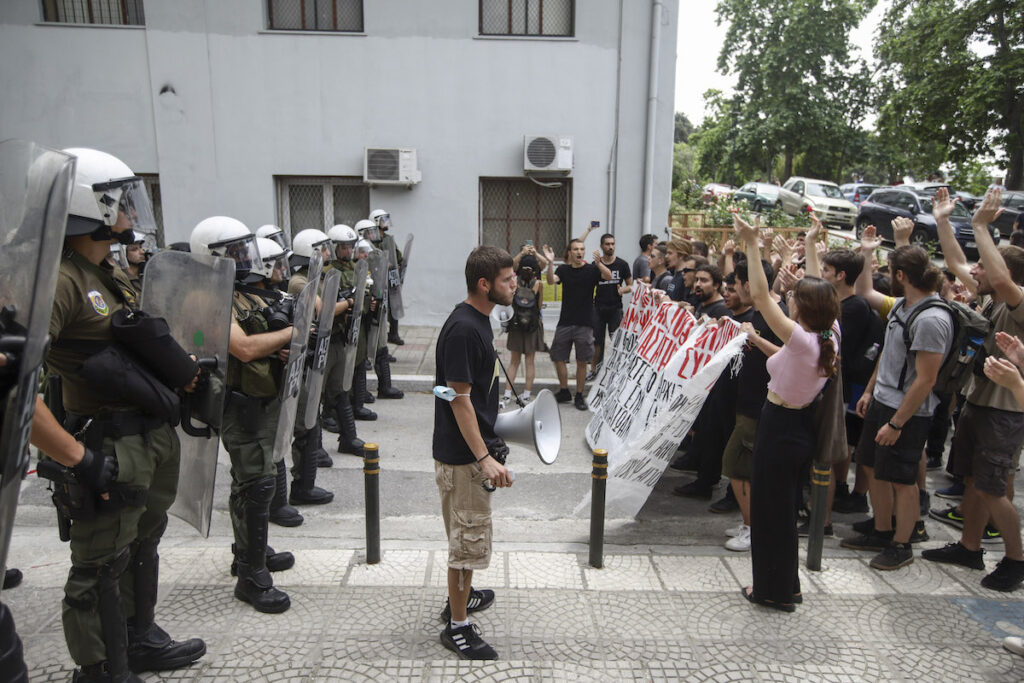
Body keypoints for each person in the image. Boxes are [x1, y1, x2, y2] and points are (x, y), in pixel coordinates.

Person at [29, 148, 206, 680]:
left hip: (146, 436)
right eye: (120, 197)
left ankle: (137, 636)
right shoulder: (61, 279)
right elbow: (15, 386)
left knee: (140, 540)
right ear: (91, 204)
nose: (131, 208)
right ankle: (100, 665)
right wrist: (77, 458)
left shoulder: (105, 270)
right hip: (106, 443)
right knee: (98, 560)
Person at [733, 213, 840, 611]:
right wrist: (811, 244)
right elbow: (820, 290)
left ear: (803, 309)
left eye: (795, 296)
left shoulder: (803, 338)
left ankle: (772, 593)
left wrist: (751, 242)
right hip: (797, 428)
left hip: (778, 429)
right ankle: (787, 586)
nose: (789, 296)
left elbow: (760, 297)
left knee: (769, 515)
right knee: (782, 511)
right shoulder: (827, 336)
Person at [920, 189, 1024, 591]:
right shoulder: (993, 297)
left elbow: (995, 273)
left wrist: (981, 224)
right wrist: (944, 220)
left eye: (983, 266)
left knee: (993, 489)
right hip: (978, 403)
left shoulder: (1016, 302)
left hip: (1005, 412)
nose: (973, 271)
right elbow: (956, 262)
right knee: (974, 483)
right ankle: (969, 547)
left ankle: (1016, 561)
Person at [191, 217, 296, 613]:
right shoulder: (207, 298)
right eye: (235, 252)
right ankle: (252, 578)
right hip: (239, 405)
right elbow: (245, 349)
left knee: (251, 482)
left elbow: (261, 342)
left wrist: (280, 347)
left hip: (261, 399)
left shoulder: (241, 295)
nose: (245, 258)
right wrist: (290, 335)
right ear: (214, 257)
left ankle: (249, 551)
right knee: (257, 485)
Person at [839, 243, 952, 570]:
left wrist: (897, 423)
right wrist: (871, 390)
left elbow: (925, 380)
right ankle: (881, 529)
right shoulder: (903, 305)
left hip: (907, 413)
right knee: (873, 467)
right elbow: (889, 352)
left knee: (903, 481)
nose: (887, 276)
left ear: (901, 275)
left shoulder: (931, 319)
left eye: (889, 271)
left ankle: (902, 544)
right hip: (882, 402)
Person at [434, 245, 515, 660]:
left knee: (465, 538)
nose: (515, 284)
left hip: (466, 452)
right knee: (465, 544)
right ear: (484, 285)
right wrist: (484, 457)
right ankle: (458, 626)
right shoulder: (466, 329)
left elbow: (454, 390)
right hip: (464, 459)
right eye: (507, 280)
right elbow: (458, 399)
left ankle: (458, 600)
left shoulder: (477, 321)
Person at [721, 257, 785, 552]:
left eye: (734, 285)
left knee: (738, 465)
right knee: (741, 466)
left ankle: (752, 528)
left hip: (760, 405)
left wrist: (754, 338)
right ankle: (749, 522)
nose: (732, 290)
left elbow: (787, 357)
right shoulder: (760, 313)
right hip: (748, 402)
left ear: (748, 285)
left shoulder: (777, 316)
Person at [285, 228, 337, 507]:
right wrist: (349, 301)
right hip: (295, 361)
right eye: (322, 249)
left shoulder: (313, 277)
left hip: (305, 358)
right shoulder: (298, 282)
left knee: (310, 418)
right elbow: (322, 309)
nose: (328, 253)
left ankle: (305, 484)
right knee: (305, 423)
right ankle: (300, 487)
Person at [542, 239, 613, 411]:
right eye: (576, 249)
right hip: (565, 321)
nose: (579, 252)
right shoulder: (564, 270)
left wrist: (599, 263)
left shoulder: (591, 269)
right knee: (557, 357)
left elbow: (608, 276)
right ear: (570, 252)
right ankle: (564, 390)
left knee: (582, 361)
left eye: (582, 249)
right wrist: (550, 262)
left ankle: (579, 395)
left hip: (585, 323)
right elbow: (551, 281)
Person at [322, 224, 363, 453]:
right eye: (344, 247)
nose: (348, 251)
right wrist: (347, 302)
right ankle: (314, 446)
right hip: (325, 338)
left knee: (340, 388)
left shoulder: (355, 268)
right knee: (318, 393)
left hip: (342, 335)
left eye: (350, 246)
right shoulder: (328, 272)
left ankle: (348, 438)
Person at [356, 218, 405, 399]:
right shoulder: (360, 255)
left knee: (380, 346)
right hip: (365, 312)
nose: (373, 235)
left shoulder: (374, 252)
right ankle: (360, 393)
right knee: (364, 352)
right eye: (369, 232)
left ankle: (384, 386)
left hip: (379, 306)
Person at [501, 264, 544, 407]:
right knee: (530, 362)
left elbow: (509, 301)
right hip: (532, 327)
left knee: (514, 361)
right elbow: (539, 305)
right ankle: (526, 395)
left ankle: (507, 394)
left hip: (516, 326)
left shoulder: (514, 282)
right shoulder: (539, 284)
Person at [591, 233, 633, 378]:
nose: (610, 247)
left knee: (616, 340)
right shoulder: (595, 265)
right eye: (607, 244)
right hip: (598, 308)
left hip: (615, 308)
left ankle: (615, 371)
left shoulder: (622, 264)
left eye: (612, 244)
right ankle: (595, 371)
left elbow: (631, 285)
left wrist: (623, 290)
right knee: (597, 342)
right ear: (602, 246)